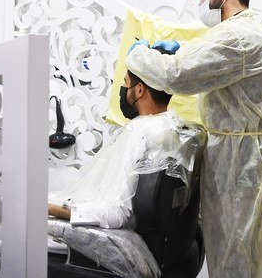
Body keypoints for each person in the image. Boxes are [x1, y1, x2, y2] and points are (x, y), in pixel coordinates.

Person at [126, 0, 262, 277]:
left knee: (235, 257)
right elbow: (201, 58)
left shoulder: (239, 37)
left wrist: (136, 55)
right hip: (235, 155)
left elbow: (177, 76)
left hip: (239, 161)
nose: (203, 0)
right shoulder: (239, 31)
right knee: (232, 252)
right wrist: (179, 47)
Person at [47, 63, 204, 230]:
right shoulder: (176, 131)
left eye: (125, 83)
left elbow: (117, 213)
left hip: (112, 234)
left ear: (139, 90)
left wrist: (53, 210)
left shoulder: (143, 133)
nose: (122, 89)